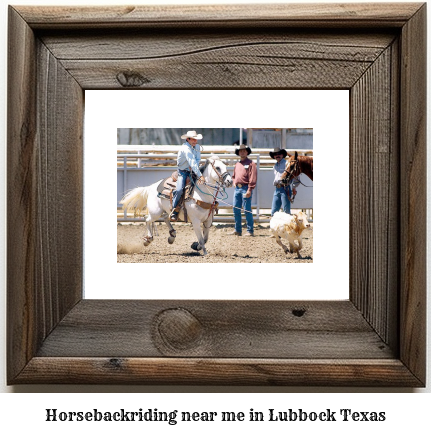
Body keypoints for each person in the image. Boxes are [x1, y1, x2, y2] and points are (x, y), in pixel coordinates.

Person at [169, 130, 205, 221]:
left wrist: (194, 167)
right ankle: (174, 209)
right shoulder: (185, 148)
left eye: (196, 139)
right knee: (179, 189)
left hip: (192, 170)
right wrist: (200, 175)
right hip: (183, 172)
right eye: (193, 139)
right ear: (188, 139)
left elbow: (197, 159)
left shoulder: (196, 147)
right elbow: (192, 161)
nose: (195, 141)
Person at [229, 144, 257, 236]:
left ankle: (250, 230)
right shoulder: (237, 164)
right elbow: (233, 176)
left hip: (245, 188)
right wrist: (234, 182)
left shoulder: (251, 163)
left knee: (247, 209)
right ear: (239, 153)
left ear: (247, 152)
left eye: (244, 151)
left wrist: (250, 189)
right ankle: (238, 230)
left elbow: (252, 177)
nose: (242, 152)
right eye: (241, 151)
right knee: (236, 209)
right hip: (237, 188)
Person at [269, 147, 299, 216]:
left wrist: (294, 187)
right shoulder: (275, 166)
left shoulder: (287, 164)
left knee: (286, 211)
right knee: (274, 211)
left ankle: (288, 226)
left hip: (286, 188)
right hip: (277, 189)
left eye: (279, 154)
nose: (277, 155)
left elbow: (296, 176)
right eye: (275, 154)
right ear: (274, 156)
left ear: (282, 155)